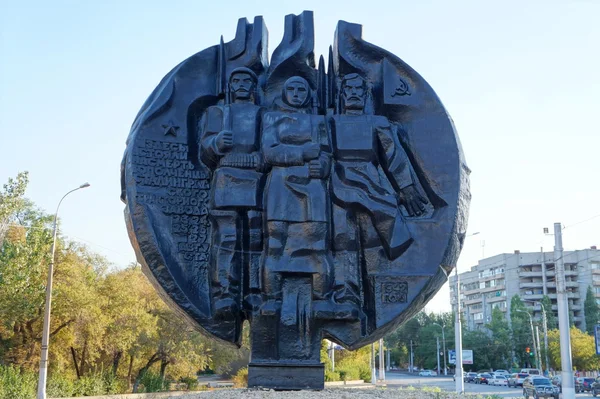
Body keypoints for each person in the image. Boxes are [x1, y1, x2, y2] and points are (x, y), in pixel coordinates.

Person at [330, 72, 428, 309]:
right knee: (343, 238)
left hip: (371, 181)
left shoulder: (377, 123)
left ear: (365, 95)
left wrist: (406, 187)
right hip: (338, 182)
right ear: (342, 94)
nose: (353, 93)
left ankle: (373, 292)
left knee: (377, 236)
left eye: (358, 89)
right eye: (348, 89)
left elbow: (393, 156)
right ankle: (346, 292)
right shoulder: (330, 122)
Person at [199, 67, 264, 320]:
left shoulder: (262, 114)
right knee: (226, 238)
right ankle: (224, 292)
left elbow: (269, 145)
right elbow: (205, 150)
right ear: (229, 85)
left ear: (253, 87)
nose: (241, 84)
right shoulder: (216, 113)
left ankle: (255, 292)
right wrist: (215, 144)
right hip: (226, 179)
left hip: (255, 181)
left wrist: (260, 157)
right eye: (235, 80)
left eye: (246, 80)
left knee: (256, 239)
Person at [260, 76, 332, 301]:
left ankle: (320, 295)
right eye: (291, 88)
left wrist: (322, 166)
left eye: (301, 89)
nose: (296, 93)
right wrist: (301, 154)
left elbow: (327, 154)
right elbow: (269, 153)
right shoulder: (271, 118)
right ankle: (273, 296)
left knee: (317, 242)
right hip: (281, 187)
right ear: (283, 93)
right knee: (276, 240)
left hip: (312, 188)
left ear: (308, 94)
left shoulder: (318, 121)